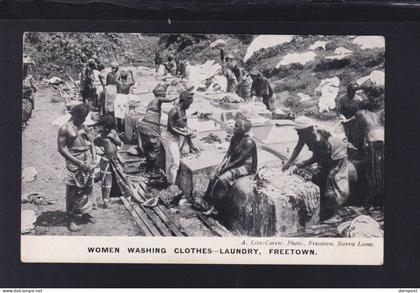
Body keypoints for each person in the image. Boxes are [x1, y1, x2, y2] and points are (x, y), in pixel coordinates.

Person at [283, 116, 350, 220]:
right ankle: (325, 206)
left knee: (334, 180)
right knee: (323, 176)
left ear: (306, 130)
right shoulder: (305, 135)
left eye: (298, 131)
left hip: (337, 155)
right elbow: (298, 148)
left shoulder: (317, 139)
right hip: (326, 154)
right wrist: (289, 163)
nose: (297, 133)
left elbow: (318, 158)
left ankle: (334, 213)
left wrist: (301, 164)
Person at [194, 114, 258, 215]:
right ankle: (206, 200)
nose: (234, 127)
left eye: (236, 126)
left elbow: (239, 161)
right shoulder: (234, 138)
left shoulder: (248, 142)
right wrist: (220, 166)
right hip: (235, 163)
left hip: (246, 167)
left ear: (242, 129)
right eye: (235, 125)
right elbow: (228, 154)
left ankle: (215, 207)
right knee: (214, 173)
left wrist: (225, 169)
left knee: (224, 179)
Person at [57, 104, 96, 231]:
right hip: (74, 162)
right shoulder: (64, 128)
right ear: (75, 115)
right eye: (83, 117)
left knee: (87, 187)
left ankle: (85, 212)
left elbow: (92, 143)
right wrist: (78, 162)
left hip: (87, 160)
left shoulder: (83, 126)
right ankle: (71, 219)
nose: (84, 120)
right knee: (72, 191)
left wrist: (94, 159)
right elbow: (61, 149)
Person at [343, 99, 384, 205]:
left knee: (372, 169)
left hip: (372, 139)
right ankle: (380, 191)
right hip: (382, 136)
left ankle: (374, 194)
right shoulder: (375, 114)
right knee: (380, 167)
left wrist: (343, 120)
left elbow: (349, 125)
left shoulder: (359, 113)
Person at [136, 85, 178, 177]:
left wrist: (162, 125)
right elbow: (169, 99)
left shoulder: (152, 102)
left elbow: (152, 117)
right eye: (164, 93)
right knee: (155, 149)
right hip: (150, 128)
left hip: (144, 126)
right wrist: (180, 95)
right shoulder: (158, 100)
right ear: (161, 94)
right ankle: (149, 171)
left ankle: (148, 168)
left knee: (148, 149)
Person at [162, 91, 200, 189]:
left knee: (186, 153)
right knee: (174, 162)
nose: (190, 106)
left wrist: (191, 145)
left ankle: (178, 181)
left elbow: (185, 127)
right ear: (184, 102)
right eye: (189, 104)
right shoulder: (174, 111)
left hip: (180, 136)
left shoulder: (183, 110)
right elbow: (170, 127)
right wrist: (184, 133)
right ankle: (171, 185)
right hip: (170, 137)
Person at [94, 115, 123, 208]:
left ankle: (121, 195)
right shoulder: (100, 135)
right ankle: (105, 201)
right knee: (106, 180)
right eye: (104, 128)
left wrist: (112, 138)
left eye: (107, 128)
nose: (106, 130)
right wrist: (99, 151)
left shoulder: (113, 132)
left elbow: (120, 143)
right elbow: (93, 143)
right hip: (106, 160)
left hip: (115, 159)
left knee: (119, 177)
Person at [336, 82, 364, 156]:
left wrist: (350, 119)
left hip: (356, 119)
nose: (351, 94)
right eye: (350, 92)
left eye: (353, 92)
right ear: (347, 91)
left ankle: (360, 152)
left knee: (358, 136)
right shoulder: (342, 98)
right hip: (345, 119)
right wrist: (342, 117)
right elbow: (339, 110)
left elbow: (360, 113)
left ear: (355, 92)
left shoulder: (359, 99)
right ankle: (350, 152)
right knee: (348, 136)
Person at [22, 57, 37, 126]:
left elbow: (33, 84)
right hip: (24, 93)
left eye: (26, 68)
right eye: (25, 68)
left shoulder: (29, 77)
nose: (26, 70)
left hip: (28, 93)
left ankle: (25, 121)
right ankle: (24, 121)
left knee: (28, 107)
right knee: (25, 107)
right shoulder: (24, 77)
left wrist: (34, 87)